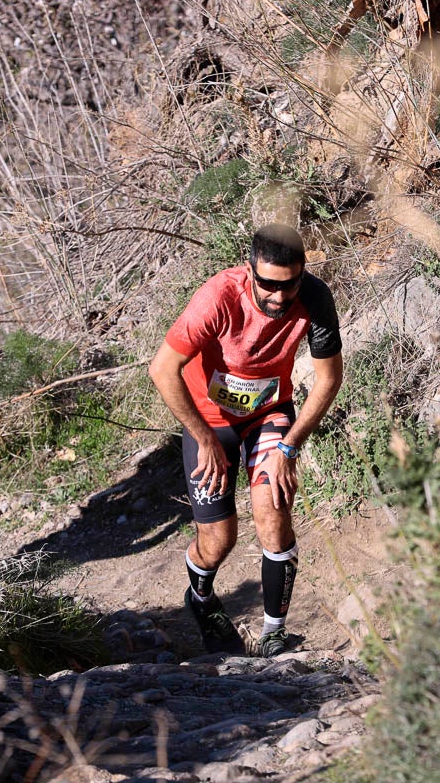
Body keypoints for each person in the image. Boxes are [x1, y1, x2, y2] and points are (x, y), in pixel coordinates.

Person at [149, 224, 343, 657]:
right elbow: (163, 368)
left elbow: (329, 379)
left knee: (272, 513)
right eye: (268, 285)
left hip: (269, 412)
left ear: (301, 275)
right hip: (209, 420)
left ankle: (274, 634)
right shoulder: (218, 296)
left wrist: (288, 448)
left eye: (288, 285)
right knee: (218, 540)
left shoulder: (314, 298)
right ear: (250, 269)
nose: (278, 296)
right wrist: (203, 438)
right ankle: (200, 598)